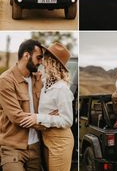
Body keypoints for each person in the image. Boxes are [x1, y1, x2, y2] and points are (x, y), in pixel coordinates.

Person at [19, 42, 74, 171]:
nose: (42, 61)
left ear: (53, 63)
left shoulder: (61, 88)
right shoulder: (45, 84)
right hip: (46, 138)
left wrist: (39, 118)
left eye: (45, 58)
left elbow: (67, 120)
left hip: (60, 141)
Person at [0, 39, 44, 171]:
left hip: (36, 148)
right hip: (12, 149)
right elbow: (16, 117)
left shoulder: (37, 79)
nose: (41, 62)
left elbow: (45, 107)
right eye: (39, 57)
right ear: (26, 55)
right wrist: (47, 122)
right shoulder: (6, 80)